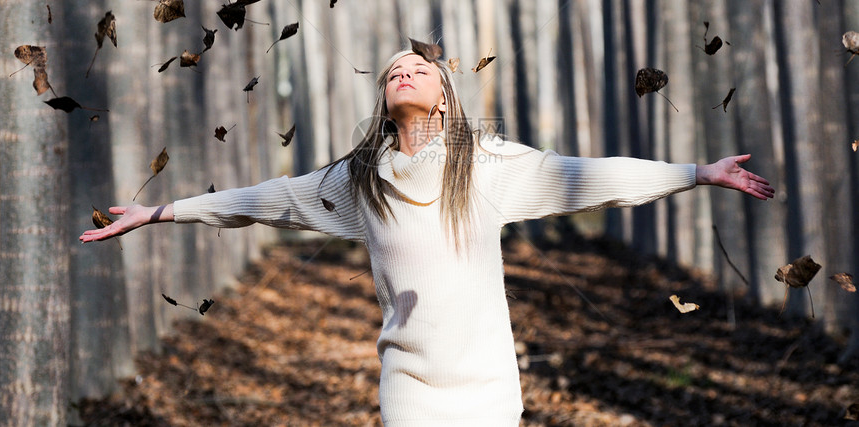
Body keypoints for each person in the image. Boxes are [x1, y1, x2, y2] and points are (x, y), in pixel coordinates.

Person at [80, 49, 774, 425]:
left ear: (443, 93)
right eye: (390, 73)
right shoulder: (360, 180)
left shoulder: (489, 164)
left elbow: (591, 177)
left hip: (489, 388)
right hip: (408, 386)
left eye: (416, 67)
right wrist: (164, 210)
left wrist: (695, 173)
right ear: (385, 99)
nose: (402, 72)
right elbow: (267, 201)